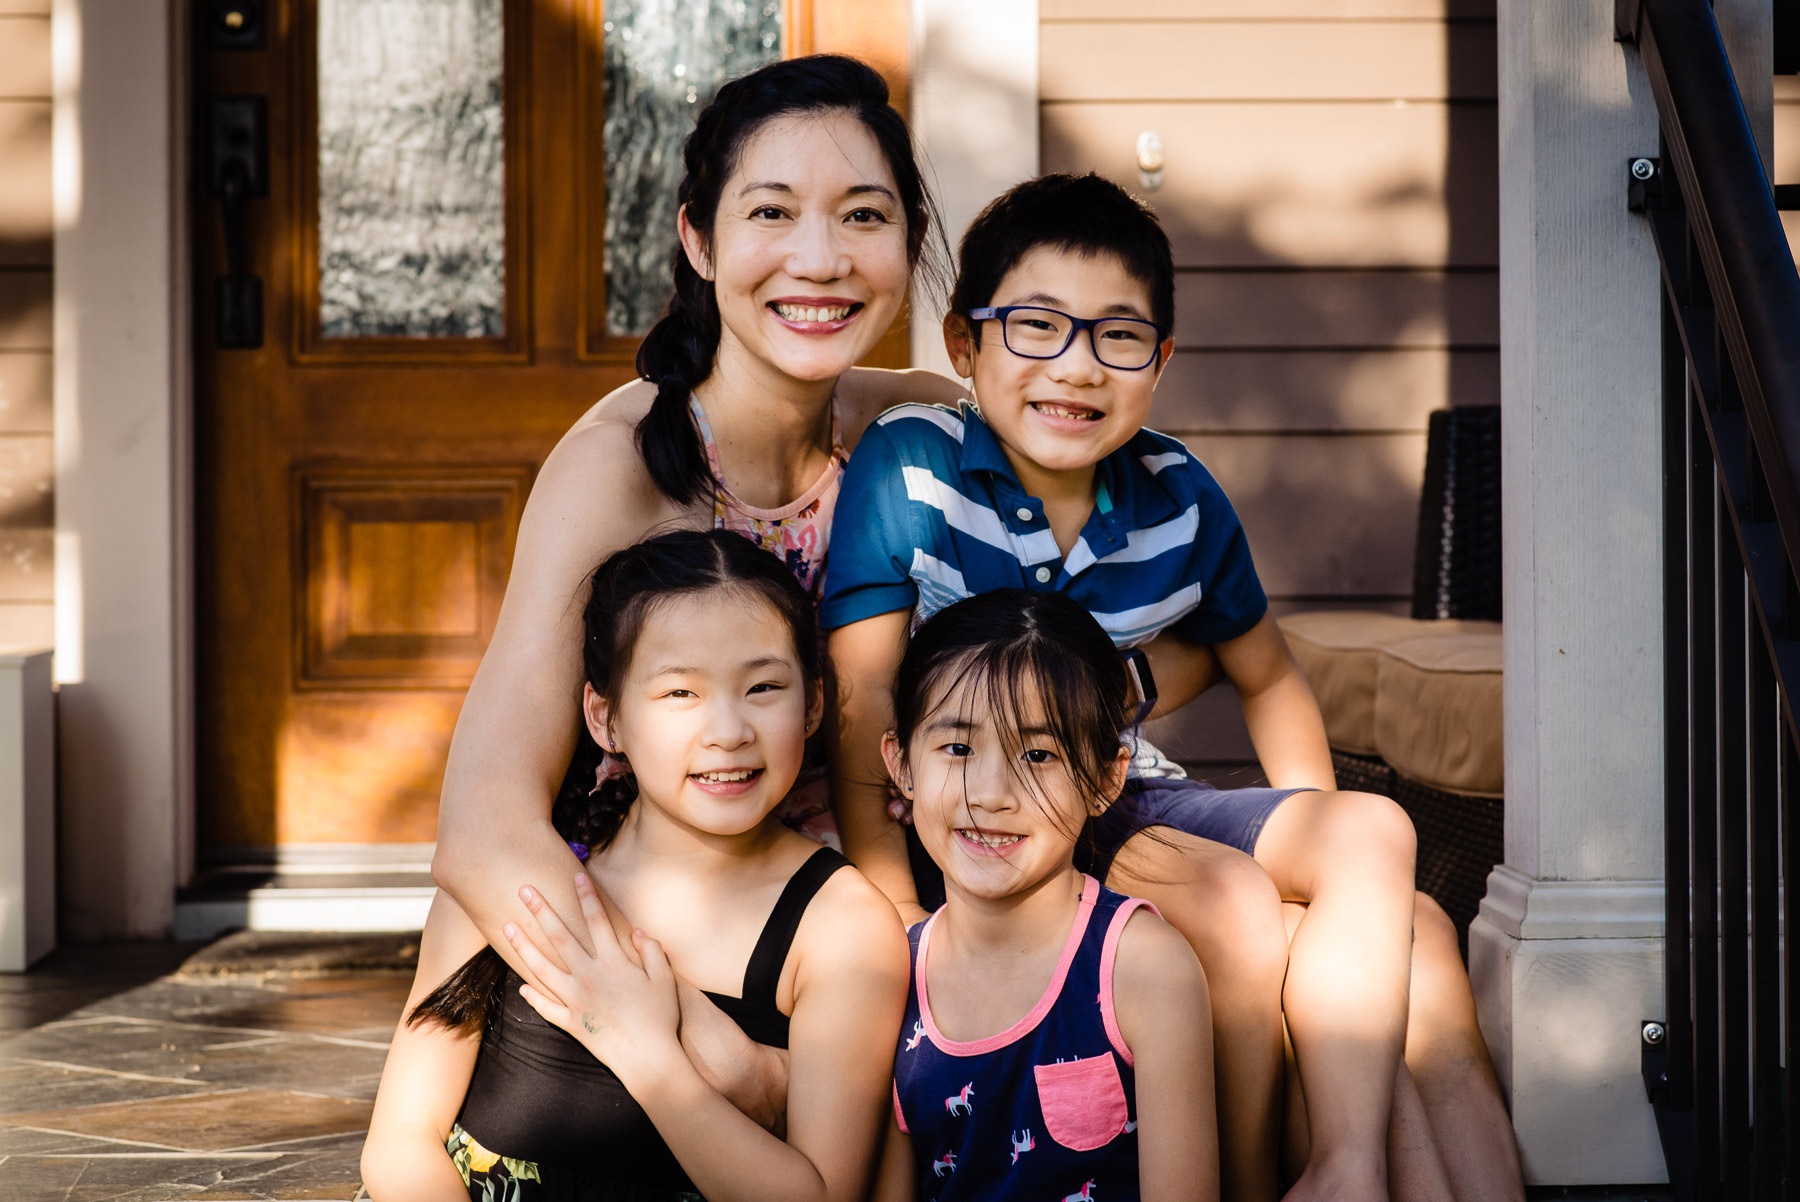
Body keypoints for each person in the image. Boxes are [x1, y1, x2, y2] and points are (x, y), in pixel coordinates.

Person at [823, 172, 1523, 1202]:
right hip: (995, 804)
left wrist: (1311, 838)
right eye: (1037, 327)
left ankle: (1349, 1166)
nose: (1076, 365)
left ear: (1160, 360)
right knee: (1245, 910)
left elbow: (1269, 671)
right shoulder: (913, 470)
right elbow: (862, 702)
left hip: (1118, 784)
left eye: (1117, 336)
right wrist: (887, 888)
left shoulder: (1179, 496)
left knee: (1395, 886)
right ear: (965, 347)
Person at [428, 51, 962, 1111]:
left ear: (907, 241)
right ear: (699, 239)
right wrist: (690, 1034)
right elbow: (487, 816)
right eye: (772, 212)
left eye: (864, 216)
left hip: (872, 893)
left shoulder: (922, 428)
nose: (821, 259)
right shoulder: (623, 463)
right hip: (685, 902)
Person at [362, 529, 909, 1201]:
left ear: (813, 704)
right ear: (606, 717)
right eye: (680, 694)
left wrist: (647, 1055)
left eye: (764, 686)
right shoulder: (517, 874)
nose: (728, 730)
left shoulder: (842, 928)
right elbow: (401, 1147)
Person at [871, 589, 1217, 1202]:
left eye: (1038, 753)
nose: (992, 793)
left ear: (1106, 779)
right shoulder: (891, 975)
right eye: (957, 748)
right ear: (902, 764)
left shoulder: (1140, 969)